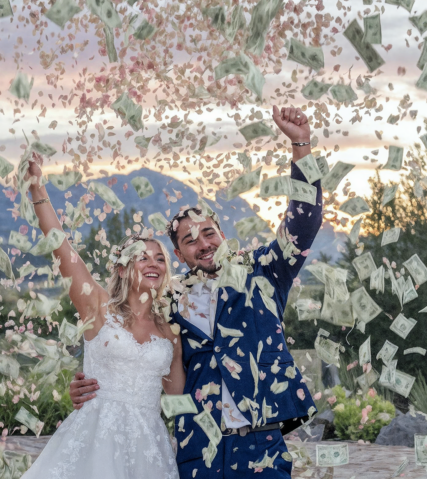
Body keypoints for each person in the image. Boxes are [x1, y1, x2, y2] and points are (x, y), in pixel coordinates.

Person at [69, 105, 323, 478]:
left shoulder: (264, 272)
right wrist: (86, 384)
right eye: (189, 240)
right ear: (179, 254)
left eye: (208, 233)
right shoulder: (165, 301)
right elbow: (130, 350)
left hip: (261, 442)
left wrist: (301, 145)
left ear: (222, 233)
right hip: (198, 446)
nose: (202, 244)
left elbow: (306, 219)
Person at [21, 158, 184, 479]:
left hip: (149, 448)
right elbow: (61, 246)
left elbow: (178, 400)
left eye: (159, 258)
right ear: (122, 268)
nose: (152, 263)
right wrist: (38, 188)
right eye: (141, 257)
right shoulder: (96, 306)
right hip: (96, 439)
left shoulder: (171, 330)